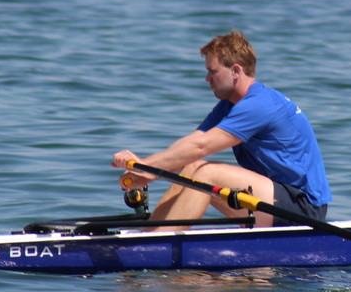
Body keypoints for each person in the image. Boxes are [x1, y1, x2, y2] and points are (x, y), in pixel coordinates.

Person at [112, 31, 331, 230]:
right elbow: (191, 143)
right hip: (274, 198)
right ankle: (151, 236)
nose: (207, 79)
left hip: (302, 208)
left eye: (212, 72)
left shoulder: (259, 104)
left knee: (207, 174)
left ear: (236, 71)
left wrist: (148, 171)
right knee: (193, 167)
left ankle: (157, 246)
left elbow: (201, 146)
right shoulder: (229, 106)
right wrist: (144, 169)